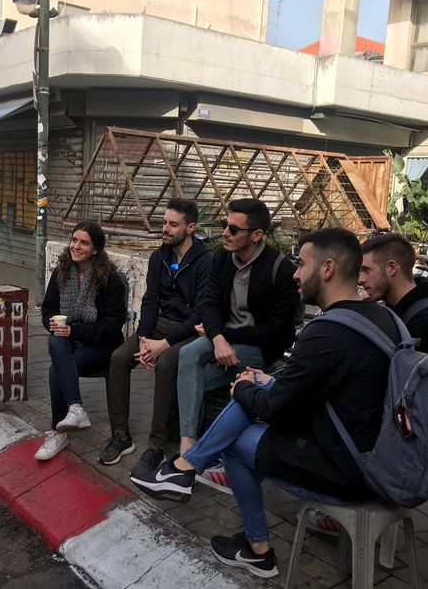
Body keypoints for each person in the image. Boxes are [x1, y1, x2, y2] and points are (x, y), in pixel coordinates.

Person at [130, 228, 400, 580]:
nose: (296, 274)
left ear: (328, 268)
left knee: (237, 440)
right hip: (380, 452)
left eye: (302, 265)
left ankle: (253, 544)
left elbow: (276, 411)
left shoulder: (327, 331)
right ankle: (184, 470)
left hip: (349, 471)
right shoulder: (382, 318)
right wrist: (265, 382)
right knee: (254, 390)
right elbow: (323, 391)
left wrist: (243, 388)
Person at [174, 198, 299, 459]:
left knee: (194, 381)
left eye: (233, 229)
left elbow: (279, 333)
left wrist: (223, 336)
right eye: (224, 225)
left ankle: (211, 450)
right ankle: (189, 443)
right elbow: (208, 304)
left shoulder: (280, 269)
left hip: (259, 348)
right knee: (188, 355)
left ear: (256, 235)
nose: (225, 233)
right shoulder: (222, 259)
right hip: (223, 338)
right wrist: (218, 338)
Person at [98, 198, 213, 472]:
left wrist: (163, 345)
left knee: (166, 363)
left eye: (173, 224)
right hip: (159, 326)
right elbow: (150, 300)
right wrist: (143, 339)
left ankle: (156, 445)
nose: (166, 228)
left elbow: (200, 313)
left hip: (189, 331)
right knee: (119, 357)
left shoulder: (206, 261)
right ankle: (121, 435)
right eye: (164, 222)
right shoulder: (159, 256)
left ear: (190, 228)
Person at [37, 221, 127, 461]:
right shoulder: (62, 271)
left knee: (57, 369)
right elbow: (48, 308)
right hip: (71, 339)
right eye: (74, 240)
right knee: (56, 343)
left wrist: (73, 331)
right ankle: (76, 409)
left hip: (101, 345)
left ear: (96, 249)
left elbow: (111, 328)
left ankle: (58, 431)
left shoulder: (111, 280)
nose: (76, 246)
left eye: (84, 242)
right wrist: (52, 323)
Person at [360, 233, 428, 424]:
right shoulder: (405, 308)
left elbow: (403, 390)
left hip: (425, 438)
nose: (360, 279)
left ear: (392, 268)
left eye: (366, 270)